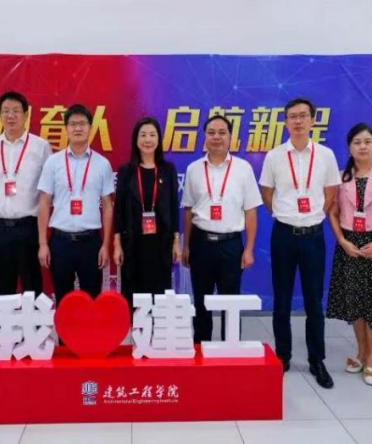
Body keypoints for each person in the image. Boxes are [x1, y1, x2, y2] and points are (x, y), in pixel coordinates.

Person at [258, 98, 340, 388]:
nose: (298, 121)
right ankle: (283, 355)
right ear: (285, 122)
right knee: (281, 298)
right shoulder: (275, 156)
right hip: (283, 234)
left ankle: (317, 359)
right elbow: (266, 192)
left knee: (314, 301)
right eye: (292, 116)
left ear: (312, 120)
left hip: (313, 236)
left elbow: (331, 191)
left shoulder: (326, 155)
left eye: (303, 116)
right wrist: (285, 214)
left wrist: (313, 215)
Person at [326, 123, 372, 387]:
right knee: (355, 303)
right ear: (349, 147)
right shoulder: (341, 178)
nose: (362, 146)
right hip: (349, 245)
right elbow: (333, 213)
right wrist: (342, 241)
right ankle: (360, 353)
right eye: (357, 142)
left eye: (367, 142)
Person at [182, 115, 262, 344]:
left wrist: (249, 249)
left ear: (230, 137)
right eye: (211, 132)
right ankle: (201, 347)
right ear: (204, 137)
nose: (216, 137)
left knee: (231, 301)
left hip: (231, 244)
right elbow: (188, 210)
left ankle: (231, 348)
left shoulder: (243, 169)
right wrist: (186, 246)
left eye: (222, 132)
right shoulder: (194, 169)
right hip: (201, 243)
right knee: (201, 301)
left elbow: (251, 211)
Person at [37, 105, 115, 304]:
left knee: (92, 300)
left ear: (90, 127)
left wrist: (105, 245)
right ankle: (65, 328)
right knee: (64, 300)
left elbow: (108, 206)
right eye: (73, 124)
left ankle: (89, 328)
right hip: (60, 242)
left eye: (82, 123)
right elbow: (44, 203)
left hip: (91, 243)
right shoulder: (53, 162)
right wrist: (43, 244)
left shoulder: (102, 164)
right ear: (66, 128)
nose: (78, 128)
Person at [0, 91, 51, 296]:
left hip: (28, 227)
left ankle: (32, 319)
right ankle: (5, 319)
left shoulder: (41, 147)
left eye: (16, 111)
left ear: (26, 115)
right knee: (4, 287)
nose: (11, 116)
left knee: (32, 287)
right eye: (6, 111)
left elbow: (47, 190)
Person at [112, 117, 181, 305]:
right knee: (133, 294)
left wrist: (176, 242)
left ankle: (157, 324)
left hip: (161, 244)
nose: (148, 139)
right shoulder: (126, 171)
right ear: (136, 140)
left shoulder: (168, 170)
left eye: (152, 135)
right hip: (133, 243)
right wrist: (117, 244)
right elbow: (118, 210)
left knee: (159, 296)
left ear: (159, 139)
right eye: (143, 135)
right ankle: (135, 324)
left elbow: (174, 207)